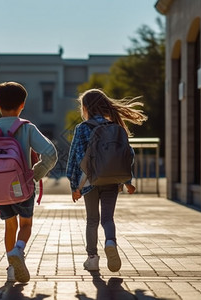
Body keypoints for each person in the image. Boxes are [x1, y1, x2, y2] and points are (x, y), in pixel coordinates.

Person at [0, 82, 58, 283]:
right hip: (22, 186)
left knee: (10, 225)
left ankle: (11, 269)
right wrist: (36, 173)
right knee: (25, 224)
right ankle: (19, 250)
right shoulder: (26, 128)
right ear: (22, 105)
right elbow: (50, 153)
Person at [66, 88, 147, 272]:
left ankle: (92, 258)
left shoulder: (82, 128)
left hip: (89, 182)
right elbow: (128, 155)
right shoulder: (116, 127)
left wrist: (74, 186)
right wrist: (127, 181)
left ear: (85, 107)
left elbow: (75, 157)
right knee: (108, 219)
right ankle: (111, 242)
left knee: (92, 220)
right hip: (112, 180)